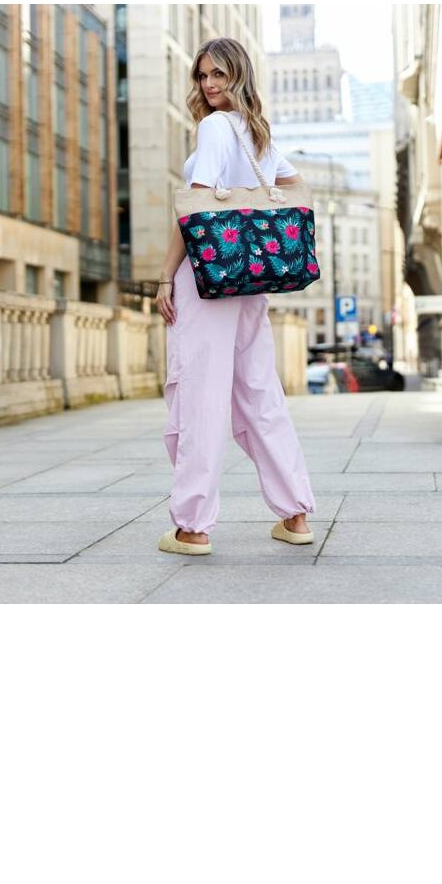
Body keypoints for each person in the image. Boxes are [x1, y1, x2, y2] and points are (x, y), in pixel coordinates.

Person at [155, 37, 316, 556]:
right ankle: (295, 513)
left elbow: (197, 205)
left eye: (218, 74)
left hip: (207, 277)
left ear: (238, 74)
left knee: (199, 395)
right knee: (260, 393)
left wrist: (165, 275)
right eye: (202, 76)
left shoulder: (214, 127)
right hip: (250, 279)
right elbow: (297, 186)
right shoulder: (257, 131)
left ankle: (193, 525)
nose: (208, 84)